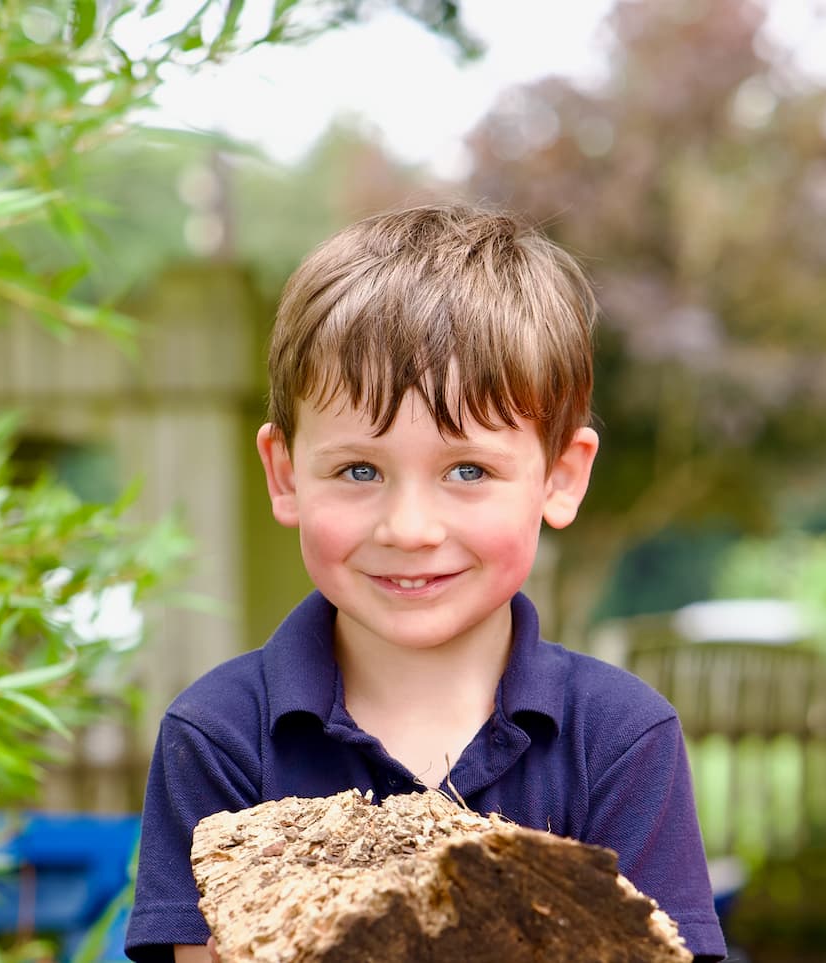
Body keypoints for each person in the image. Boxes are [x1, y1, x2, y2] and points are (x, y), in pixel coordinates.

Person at [123, 203, 725, 962]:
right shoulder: (217, 736)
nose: (409, 527)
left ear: (561, 477)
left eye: (467, 470)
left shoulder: (621, 739)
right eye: (359, 470)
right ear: (285, 475)